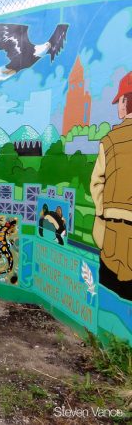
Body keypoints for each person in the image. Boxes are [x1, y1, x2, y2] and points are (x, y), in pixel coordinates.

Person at [90, 71, 132, 301]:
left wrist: (101, 215)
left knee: (112, 291)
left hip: (114, 231)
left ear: (126, 101)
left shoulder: (109, 140)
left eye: (120, 101)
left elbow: (97, 183)